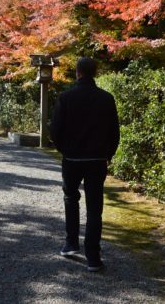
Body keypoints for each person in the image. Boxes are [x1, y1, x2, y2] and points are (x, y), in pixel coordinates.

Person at [49, 57, 120, 272]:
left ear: (78, 72)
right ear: (95, 72)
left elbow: (55, 131)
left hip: (72, 159)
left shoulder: (66, 97)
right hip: (97, 160)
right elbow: (114, 132)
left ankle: (71, 243)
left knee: (71, 198)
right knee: (95, 208)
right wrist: (108, 154)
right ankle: (93, 257)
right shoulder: (107, 98)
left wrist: (64, 149)